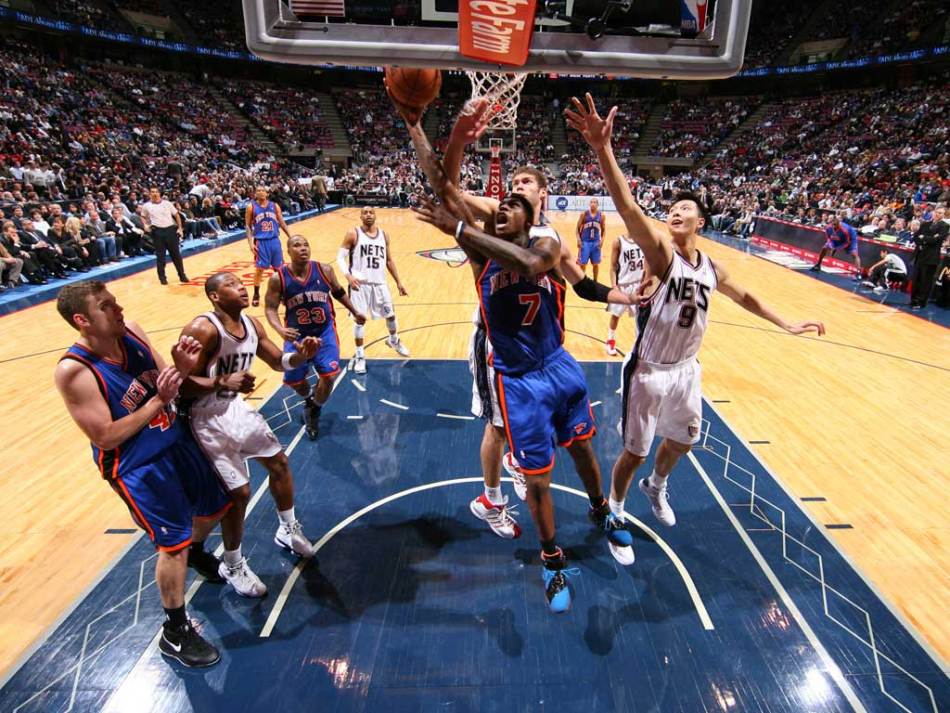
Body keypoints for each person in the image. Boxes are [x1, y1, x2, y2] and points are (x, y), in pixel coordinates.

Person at [404, 112, 636, 613]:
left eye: (518, 198)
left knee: (584, 449)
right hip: (518, 379)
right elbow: (445, 189)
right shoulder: (482, 251)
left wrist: (622, 295)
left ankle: (602, 510)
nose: (507, 202)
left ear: (534, 212)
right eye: (505, 198)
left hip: (558, 364)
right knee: (533, 474)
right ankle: (550, 557)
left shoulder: (547, 242)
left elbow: (541, 267)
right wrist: (424, 128)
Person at [567, 93, 825, 531]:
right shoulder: (661, 254)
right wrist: (602, 148)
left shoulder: (711, 267)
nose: (676, 211)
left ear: (700, 222)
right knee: (635, 452)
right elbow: (628, 206)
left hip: (687, 368)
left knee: (683, 441)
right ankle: (616, 509)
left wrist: (787, 323)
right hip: (649, 369)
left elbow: (746, 297)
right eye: (672, 208)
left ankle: (657, 486)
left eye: (685, 208)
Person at [53, 281, 233, 667]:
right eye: (106, 306)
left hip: (175, 440)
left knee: (213, 508)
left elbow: (169, 382)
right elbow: (105, 436)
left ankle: (197, 553)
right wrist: (158, 401)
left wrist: (181, 370)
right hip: (138, 465)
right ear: (83, 320)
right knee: (172, 545)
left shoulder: (132, 332)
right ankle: (175, 632)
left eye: (116, 302)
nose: (118, 309)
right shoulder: (74, 370)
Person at [179, 273, 321, 596]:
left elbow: (278, 361)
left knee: (279, 463)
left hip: (234, 408)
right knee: (239, 494)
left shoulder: (252, 324)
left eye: (240, 283)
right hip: (203, 417)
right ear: (214, 296)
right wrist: (221, 382)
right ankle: (232, 564)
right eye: (230, 284)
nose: (241, 286)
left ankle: (288, 529)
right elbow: (179, 384)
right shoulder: (202, 329)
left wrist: (302, 356)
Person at [265, 235, 366, 439]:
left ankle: (314, 410)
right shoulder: (278, 278)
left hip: (324, 332)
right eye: (297, 245)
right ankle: (309, 399)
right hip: (296, 337)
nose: (303, 248)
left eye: (306, 244)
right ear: (288, 252)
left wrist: (355, 311)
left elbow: (338, 292)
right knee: (295, 381)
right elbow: (270, 308)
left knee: (328, 376)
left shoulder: (324, 269)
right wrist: (280, 329)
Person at [336, 206, 409, 374]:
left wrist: (398, 282)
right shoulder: (353, 233)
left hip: (379, 283)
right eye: (365, 213)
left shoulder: (384, 235)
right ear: (361, 216)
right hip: (359, 284)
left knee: (391, 315)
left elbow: (389, 260)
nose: (368, 215)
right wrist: (348, 276)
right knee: (360, 320)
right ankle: (360, 356)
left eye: (371, 212)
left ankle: (393, 340)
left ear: (375, 215)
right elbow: (340, 258)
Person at [246, 186, 291, 307]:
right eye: (258, 191)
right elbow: (248, 226)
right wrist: (250, 243)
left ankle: (283, 293)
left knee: (279, 269)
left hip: (274, 240)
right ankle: (256, 294)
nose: (260, 192)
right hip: (261, 242)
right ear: (255, 194)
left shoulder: (274, 206)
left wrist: (291, 236)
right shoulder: (251, 207)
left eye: (263, 190)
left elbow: (282, 222)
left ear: (267, 193)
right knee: (259, 270)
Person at [606, 233, 646, 356]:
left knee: (641, 317)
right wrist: (614, 286)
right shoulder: (618, 241)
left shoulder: (643, 239)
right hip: (623, 286)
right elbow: (613, 267)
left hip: (639, 284)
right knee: (616, 315)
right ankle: (610, 341)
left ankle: (640, 344)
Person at [141, 186, 187, 285]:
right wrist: (145, 225)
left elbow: (176, 215)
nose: (154, 193)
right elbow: (143, 216)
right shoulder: (146, 206)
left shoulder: (167, 203)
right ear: (150, 194)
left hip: (170, 230)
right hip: (157, 232)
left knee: (176, 255)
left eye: (156, 192)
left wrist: (180, 228)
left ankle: (182, 275)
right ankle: (162, 278)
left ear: (159, 193)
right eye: (152, 192)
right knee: (160, 257)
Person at [909, 205, 948, 310]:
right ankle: (913, 300)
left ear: (943, 215)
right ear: (933, 212)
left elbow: (936, 240)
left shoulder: (944, 226)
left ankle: (921, 302)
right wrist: (927, 239)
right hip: (919, 255)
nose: (937, 214)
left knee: (926, 281)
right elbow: (916, 237)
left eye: (940, 213)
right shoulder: (925, 224)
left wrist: (924, 238)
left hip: (931, 258)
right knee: (916, 279)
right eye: (936, 212)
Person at [811, 213, 862, 278]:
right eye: (833, 225)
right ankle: (818, 265)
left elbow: (847, 242)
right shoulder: (828, 228)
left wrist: (836, 248)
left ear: (839, 224)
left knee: (854, 254)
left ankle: (858, 272)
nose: (834, 227)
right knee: (824, 248)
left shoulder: (845, 230)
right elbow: (829, 238)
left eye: (835, 225)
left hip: (851, 238)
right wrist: (832, 246)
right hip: (837, 237)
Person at [576, 198, 606, 282]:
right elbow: (577, 229)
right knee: (583, 264)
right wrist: (578, 239)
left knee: (595, 264)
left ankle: (595, 281)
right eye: (591, 202)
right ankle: (582, 281)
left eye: (595, 202)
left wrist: (602, 240)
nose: (593, 204)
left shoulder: (601, 216)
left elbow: (604, 230)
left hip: (596, 242)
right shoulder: (584, 214)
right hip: (585, 242)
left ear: (598, 205)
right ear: (589, 204)